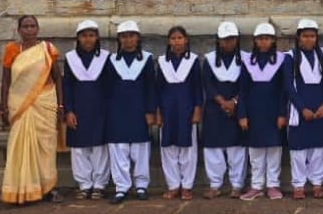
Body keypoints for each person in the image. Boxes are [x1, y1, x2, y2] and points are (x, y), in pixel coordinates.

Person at [0, 15, 63, 205]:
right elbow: (5, 80)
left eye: (32, 26)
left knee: (46, 146)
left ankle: (48, 188)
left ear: (38, 29)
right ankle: (22, 188)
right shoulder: (12, 50)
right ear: (19, 30)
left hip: (45, 101)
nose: (29, 30)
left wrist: (61, 104)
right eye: (25, 26)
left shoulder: (48, 50)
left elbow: (58, 78)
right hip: (19, 104)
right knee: (19, 146)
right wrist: (3, 108)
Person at [105, 20, 157, 203]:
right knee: (119, 148)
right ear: (119, 39)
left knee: (140, 148)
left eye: (131, 36)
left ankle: (141, 185)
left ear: (138, 38)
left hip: (139, 109)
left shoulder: (147, 59)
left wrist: (150, 110)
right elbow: (107, 89)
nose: (128, 40)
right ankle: (121, 187)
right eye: (124, 37)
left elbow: (151, 87)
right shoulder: (111, 60)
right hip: (117, 110)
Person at [238, 22, 288, 200]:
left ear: (273, 40)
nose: (264, 42)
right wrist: (242, 114)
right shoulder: (247, 61)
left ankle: (273, 184)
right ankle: (257, 185)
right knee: (256, 151)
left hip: (273, 111)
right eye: (260, 39)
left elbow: (284, 90)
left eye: (267, 39)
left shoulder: (282, 60)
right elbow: (242, 90)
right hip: (254, 112)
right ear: (255, 41)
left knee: (274, 149)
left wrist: (283, 113)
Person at [63, 19, 111, 200]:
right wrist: (69, 110)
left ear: (97, 37)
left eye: (91, 35)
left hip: (99, 108)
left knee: (99, 148)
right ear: (78, 38)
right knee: (79, 148)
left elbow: (109, 86)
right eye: (84, 36)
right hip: (78, 108)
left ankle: (99, 183)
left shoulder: (105, 57)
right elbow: (67, 85)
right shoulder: (71, 58)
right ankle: (84, 183)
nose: (88, 40)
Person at [200, 21, 247, 198]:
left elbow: (245, 84)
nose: (228, 43)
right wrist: (222, 102)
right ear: (219, 40)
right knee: (214, 148)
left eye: (232, 39)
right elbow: (208, 84)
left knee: (237, 148)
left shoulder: (245, 59)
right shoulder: (210, 59)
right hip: (215, 109)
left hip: (237, 109)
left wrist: (234, 102)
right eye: (225, 39)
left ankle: (237, 184)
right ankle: (215, 184)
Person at [285, 18, 323, 199]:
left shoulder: (322, 54)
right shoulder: (290, 57)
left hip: (320, 107)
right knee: (298, 148)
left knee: (319, 147)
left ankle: (317, 183)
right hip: (300, 108)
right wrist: (301, 107)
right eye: (305, 36)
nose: (309, 40)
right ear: (298, 37)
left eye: (312, 36)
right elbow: (288, 86)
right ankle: (298, 185)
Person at [156, 26, 203, 200]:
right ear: (169, 41)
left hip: (186, 109)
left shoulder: (193, 61)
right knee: (168, 148)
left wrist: (197, 110)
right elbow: (158, 89)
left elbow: (198, 88)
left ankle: (187, 186)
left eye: (180, 38)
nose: (177, 41)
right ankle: (173, 185)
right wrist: (158, 112)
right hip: (167, 110)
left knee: (188, 149)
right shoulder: (162, 62)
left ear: (186, 40)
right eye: (173, 38)